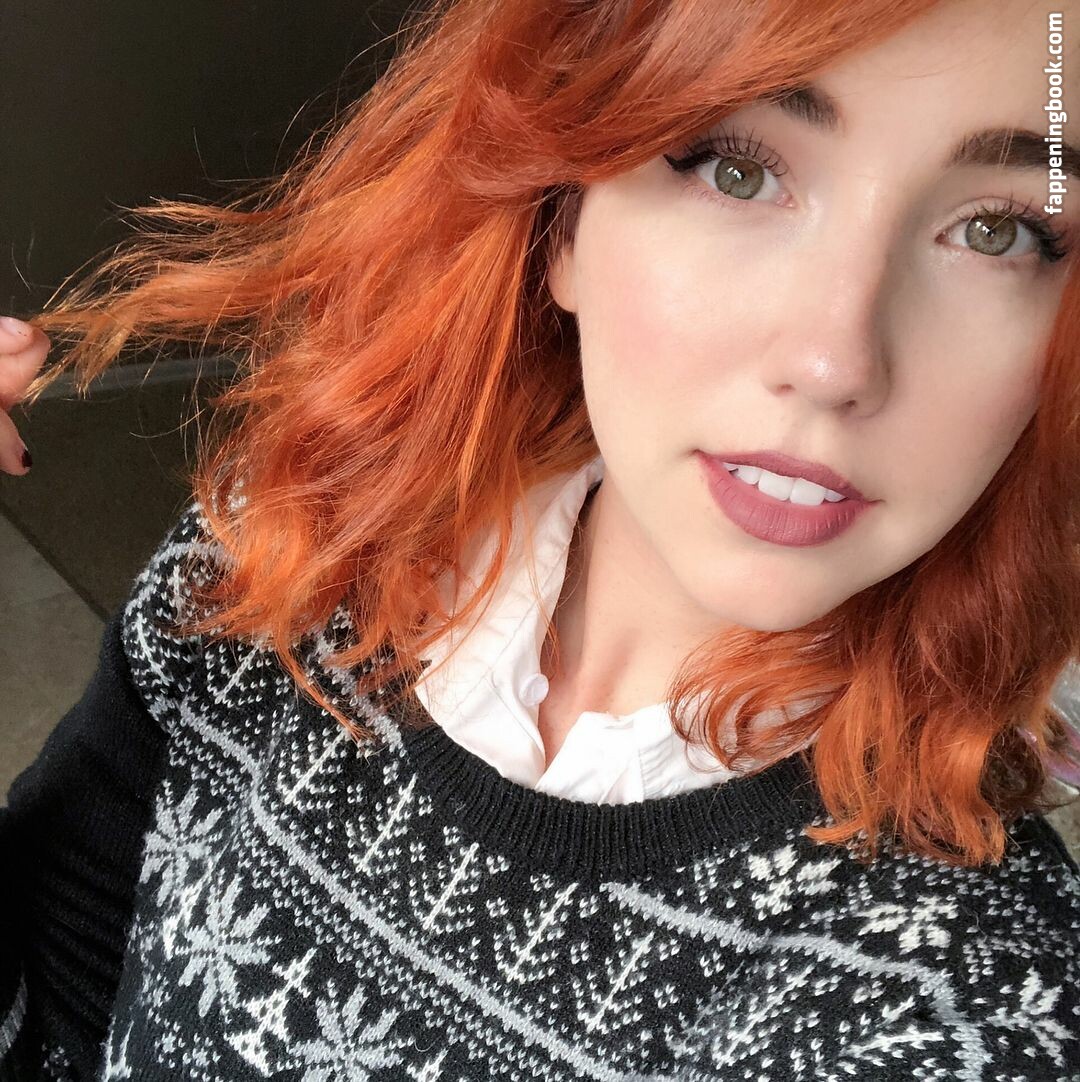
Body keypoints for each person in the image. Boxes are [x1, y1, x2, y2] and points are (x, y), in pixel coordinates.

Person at [3, 0, 1080, 1077]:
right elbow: (55, 1003)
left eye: (999, 232)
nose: (836, 360)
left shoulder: (966, 994)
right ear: (563, 219)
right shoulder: (304, 539)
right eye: (737, 170)